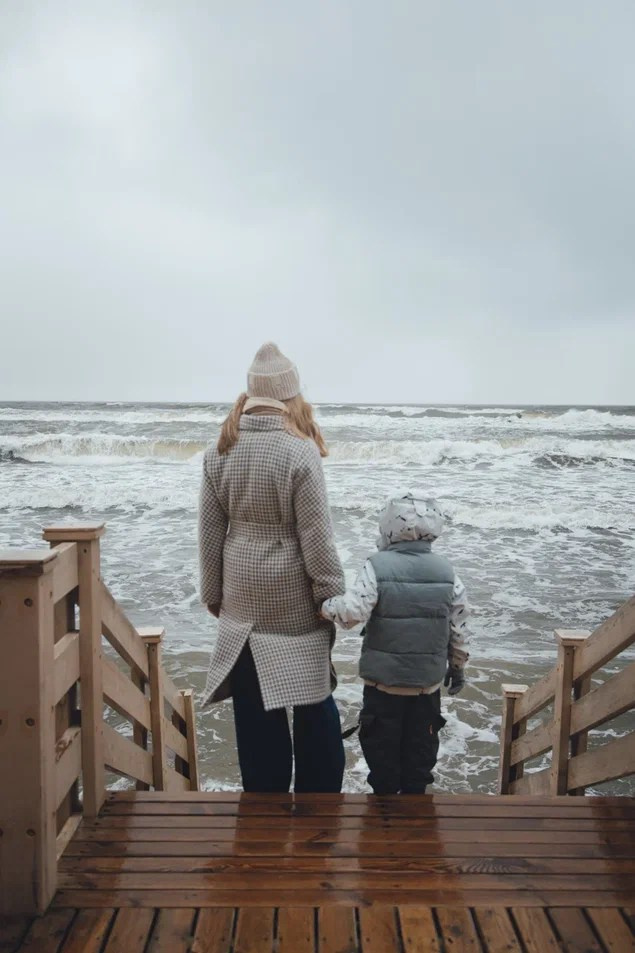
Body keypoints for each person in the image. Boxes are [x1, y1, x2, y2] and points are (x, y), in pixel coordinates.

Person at [198, 342, 346, 793]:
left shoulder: (219, 450)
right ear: (290, 395)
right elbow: (316, 537)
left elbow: (209, 533)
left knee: (256, 715)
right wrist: (330, 593)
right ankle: (319, 809)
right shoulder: (298, 451)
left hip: (243, 600)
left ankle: (265, 813)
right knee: (314, 707)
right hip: (295, 604)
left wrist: (213, 594)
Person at [321, 491, 470, 795]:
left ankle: (382, 825)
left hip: (383, 688)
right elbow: (459, 627)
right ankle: (416, 826)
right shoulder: (447, 572)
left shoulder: (378, 566)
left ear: (388, 524)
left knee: (382, 762)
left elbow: (352, 614)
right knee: (419, 761)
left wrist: (324, 606)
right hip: (426, 688)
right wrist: (458, 667)